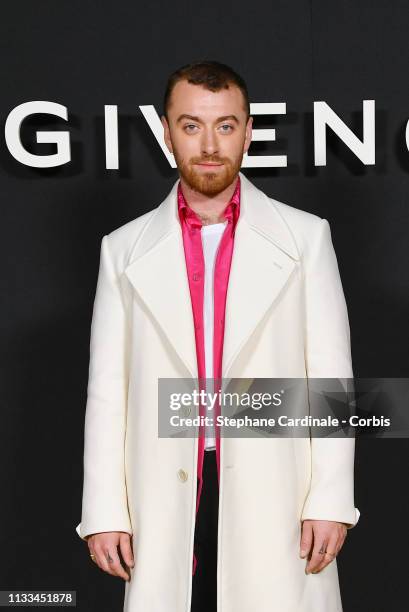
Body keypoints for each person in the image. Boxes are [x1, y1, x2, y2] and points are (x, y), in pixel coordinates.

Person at [76, 60, 360, 612]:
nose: (209, 144)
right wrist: (105, 510)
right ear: (166, 132)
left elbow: (331, 378)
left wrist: (331, 499)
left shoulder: (305, 238)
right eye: (191, 125)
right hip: (162, 484)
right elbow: (107, 392)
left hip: (275, 484)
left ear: (248, 131)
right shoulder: (123, 248)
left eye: (225, 126)